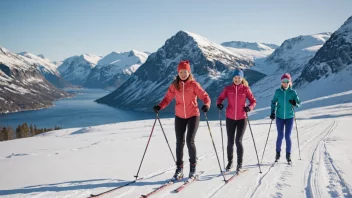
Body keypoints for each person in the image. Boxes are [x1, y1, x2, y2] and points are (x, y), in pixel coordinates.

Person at [153, 60, 211, 179]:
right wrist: (160, 106)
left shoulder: (194, 84)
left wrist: (206, 105)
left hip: (193, 115)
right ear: (178, 73)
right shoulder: (175, 85)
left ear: (189, 72)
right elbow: (167, 98)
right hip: (179, 116)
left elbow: (205, 96)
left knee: (190, 140)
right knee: (179, 142)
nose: (183, 74)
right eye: (181, 72)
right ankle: (179, 169)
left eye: (185, 71)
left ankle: (193, 168)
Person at [216, 68, 256, 171]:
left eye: (239, 78)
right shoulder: (228, 89)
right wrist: (219, 104)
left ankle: (239, 163)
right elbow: (220, 98)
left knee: (238, 141)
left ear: (242, 78)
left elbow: (253, 101)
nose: (237, 79)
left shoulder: (245, 89)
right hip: (230, 118)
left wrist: (249, 108)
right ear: (232, 78)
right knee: (230, 141)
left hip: (242, 118)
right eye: (235, 77)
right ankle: (230, 162)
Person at [270, 73, 301, 163]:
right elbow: (273, 102)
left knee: (287, 136)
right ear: (281, 82)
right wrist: (272, 112)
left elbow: (299, 104)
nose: (285, 83)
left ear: (290, 82)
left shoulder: (293, 92)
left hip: (290, 117)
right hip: (279, 117)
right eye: (283, 81)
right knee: (280, 136)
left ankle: (288, 155)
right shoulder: (278, 92)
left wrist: (295, 104)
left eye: (287, 81)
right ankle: (277, 154)